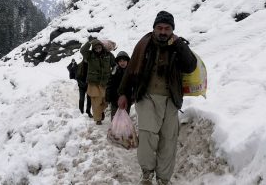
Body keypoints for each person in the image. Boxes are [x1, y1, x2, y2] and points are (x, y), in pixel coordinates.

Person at [117, 11, 197, 185]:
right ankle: (147, 173)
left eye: (167, 28)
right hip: (146, 97)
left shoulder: (178, 46)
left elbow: (191, 66)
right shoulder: (144, 44)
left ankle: (163, 178)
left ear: (172, 30)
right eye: (159, 28)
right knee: (147, 136)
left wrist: (179, 45)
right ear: (154, 28)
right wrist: (123, 93)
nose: (162, 31)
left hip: (171, 100)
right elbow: (130, 70)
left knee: (168, 141)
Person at [80, 39, 115, 125]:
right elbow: (83, 50)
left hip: (105, 82)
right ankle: (98, 119)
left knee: (105, 101)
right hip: (93, 83)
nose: (98, 50)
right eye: (96, 48)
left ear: (102, 47)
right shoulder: (89, 55)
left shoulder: (108, 55)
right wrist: (89, 42)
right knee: (96, 102)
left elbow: (114, 64)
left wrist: (113, 71)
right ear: (93, 49)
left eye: (99, 48)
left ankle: (101, 111)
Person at [105, 51, 131, 121]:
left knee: (125, 118)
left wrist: (132, 97)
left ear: (127, 61)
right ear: (117, 62)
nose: (122, 63)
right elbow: (109, 85)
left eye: (124, 61)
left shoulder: (131, 72)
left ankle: (123, 131)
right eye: (120, 61)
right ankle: (115, 131)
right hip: (115, 100)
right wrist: (107, 98)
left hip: (127, 100)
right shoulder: (114, 72)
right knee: (115, 118)